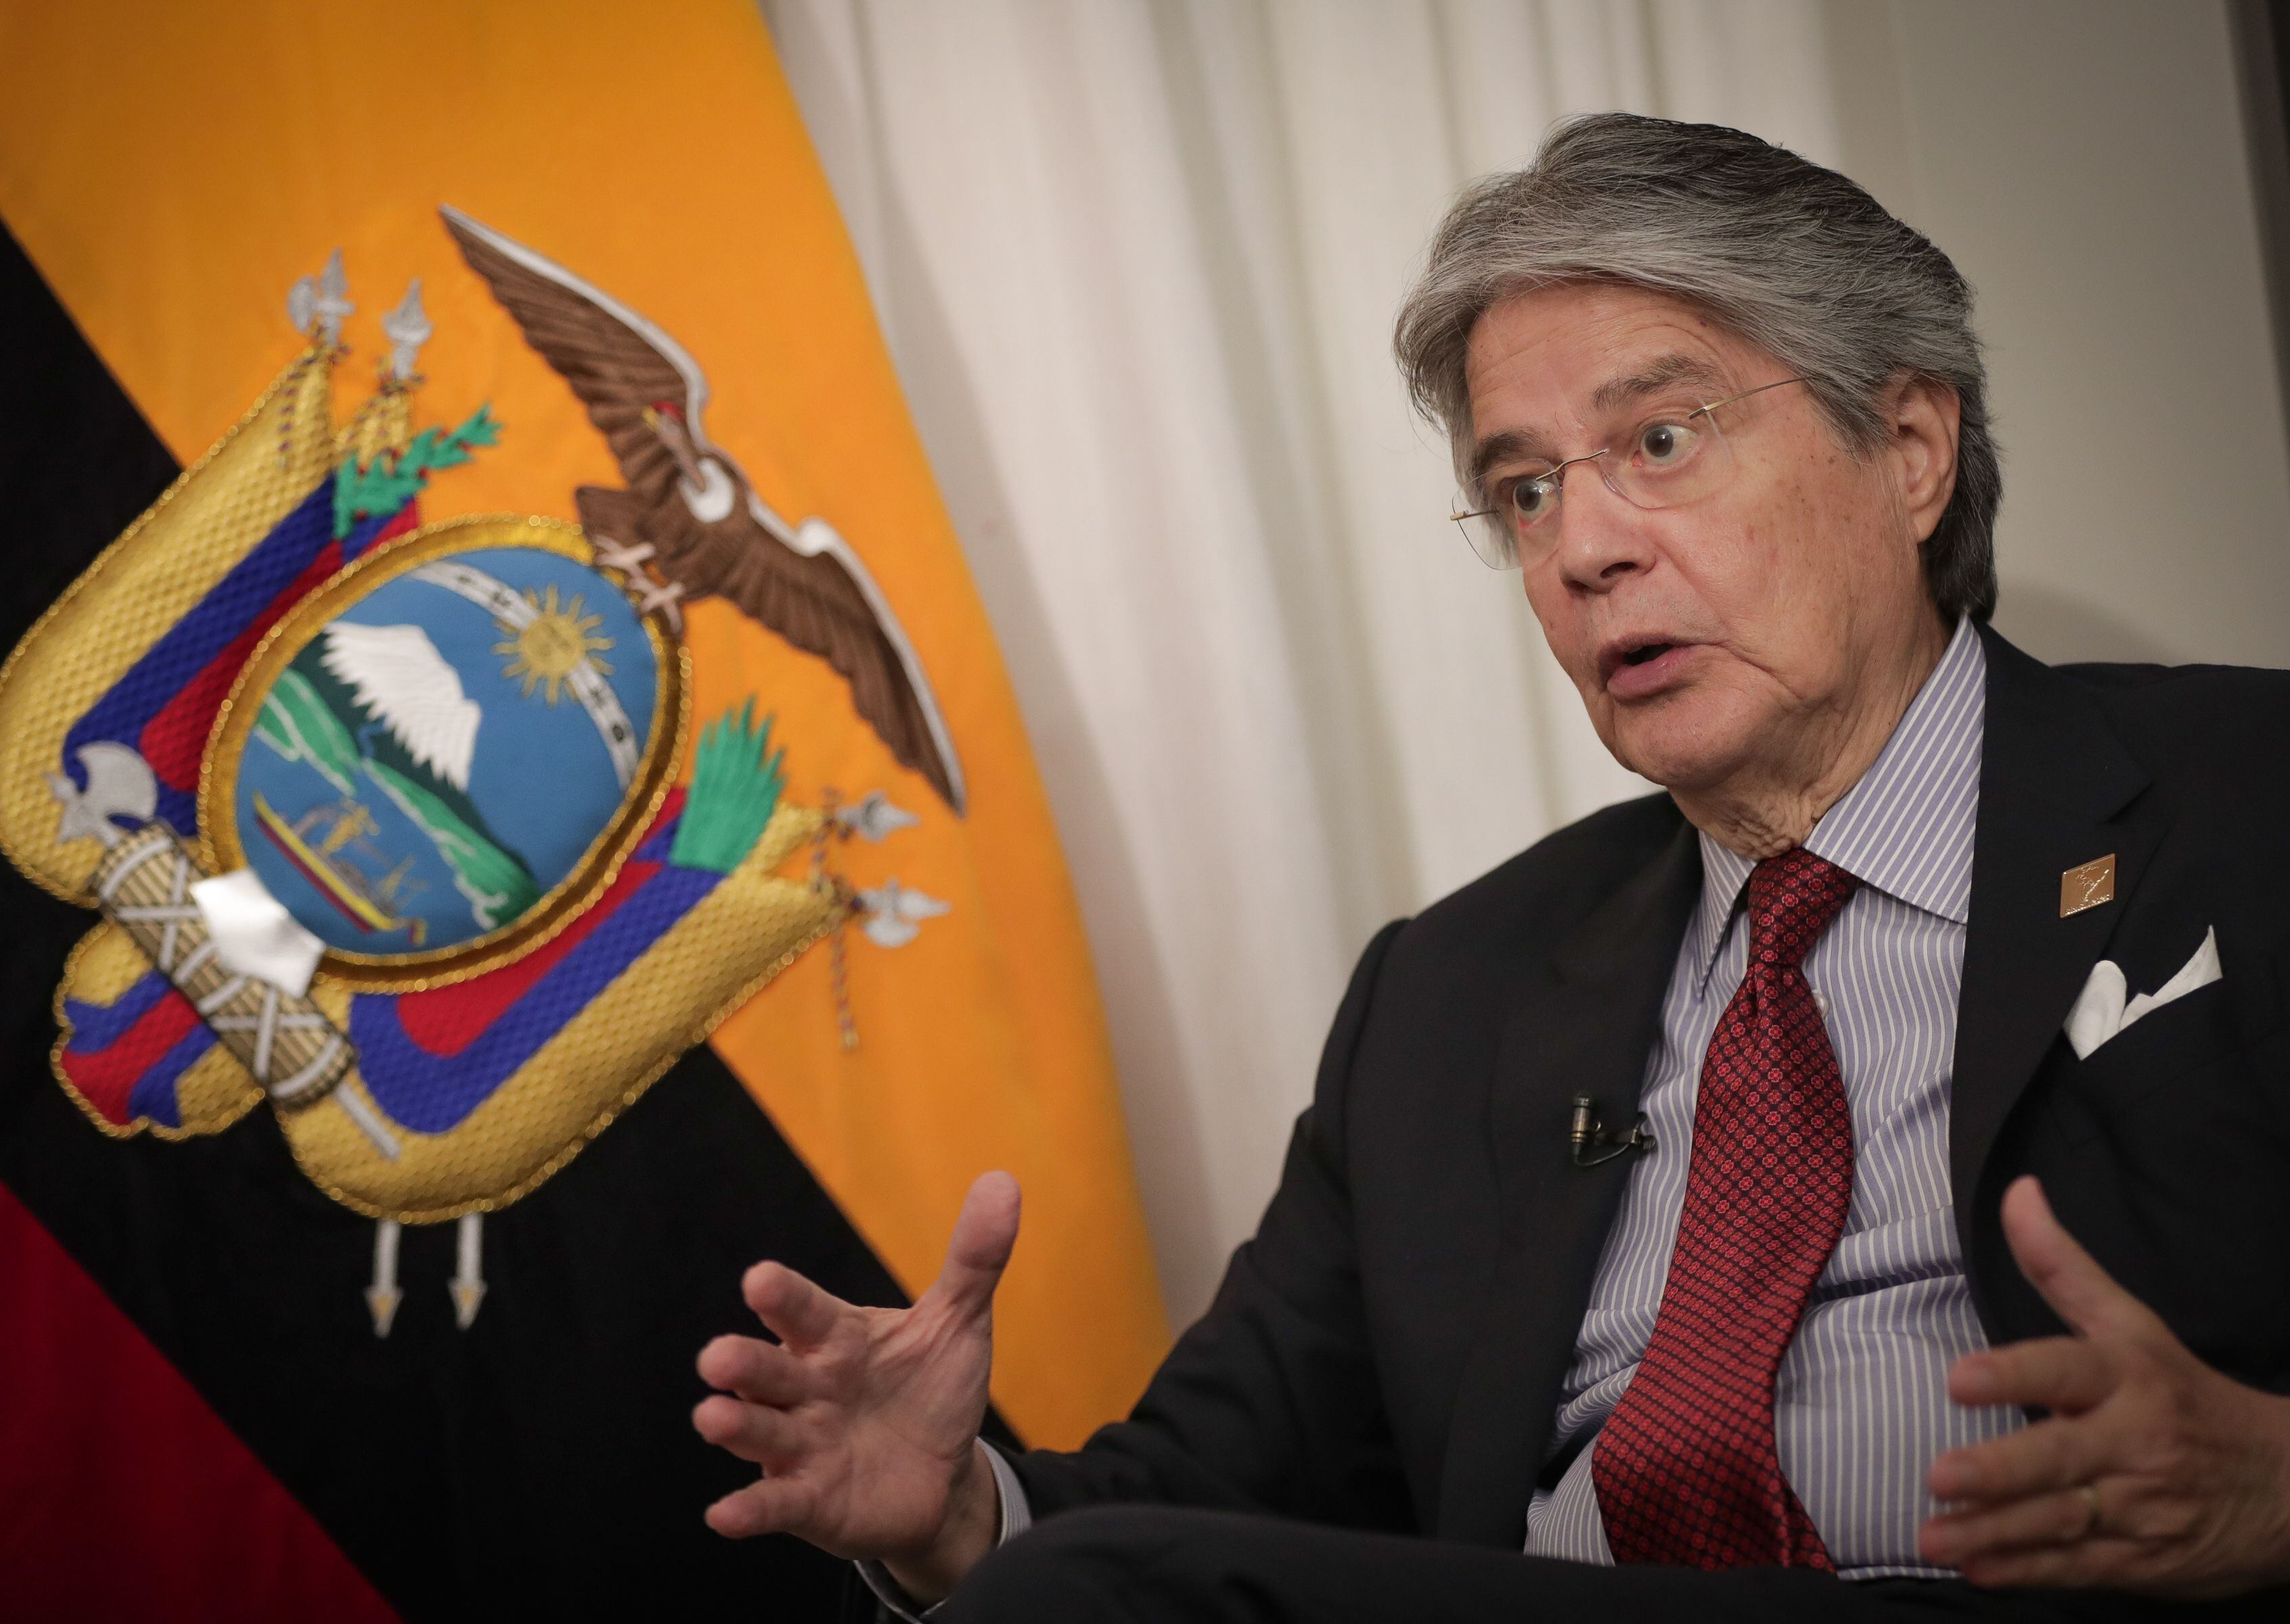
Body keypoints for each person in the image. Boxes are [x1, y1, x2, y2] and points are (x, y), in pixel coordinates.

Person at [690, 114, 2290, 1621]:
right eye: (1527, 490)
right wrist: (958, 1514)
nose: (1585, 548)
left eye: (1661, 439)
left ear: (1912, 447)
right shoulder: (1448, 998)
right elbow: (1206, 1502)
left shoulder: (2248, 802)